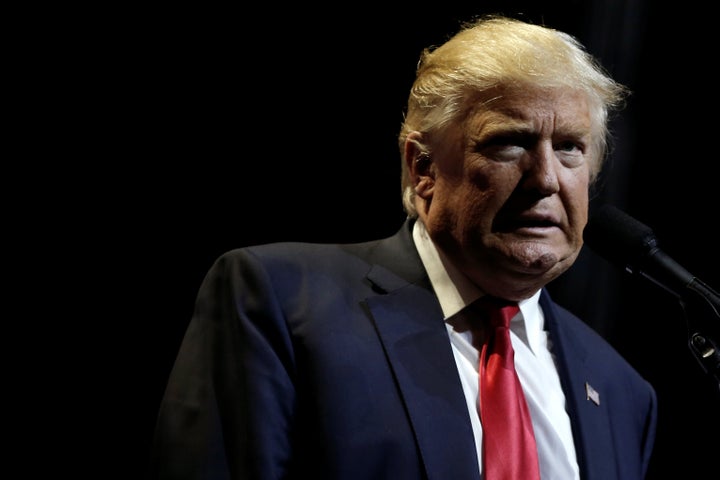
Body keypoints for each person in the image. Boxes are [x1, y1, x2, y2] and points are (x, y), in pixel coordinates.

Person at [151, 14, 657, 480]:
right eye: (510, 142)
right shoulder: (281, 304)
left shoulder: (620, 390)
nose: (546, 179)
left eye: (570, 147)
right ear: (423, 168)